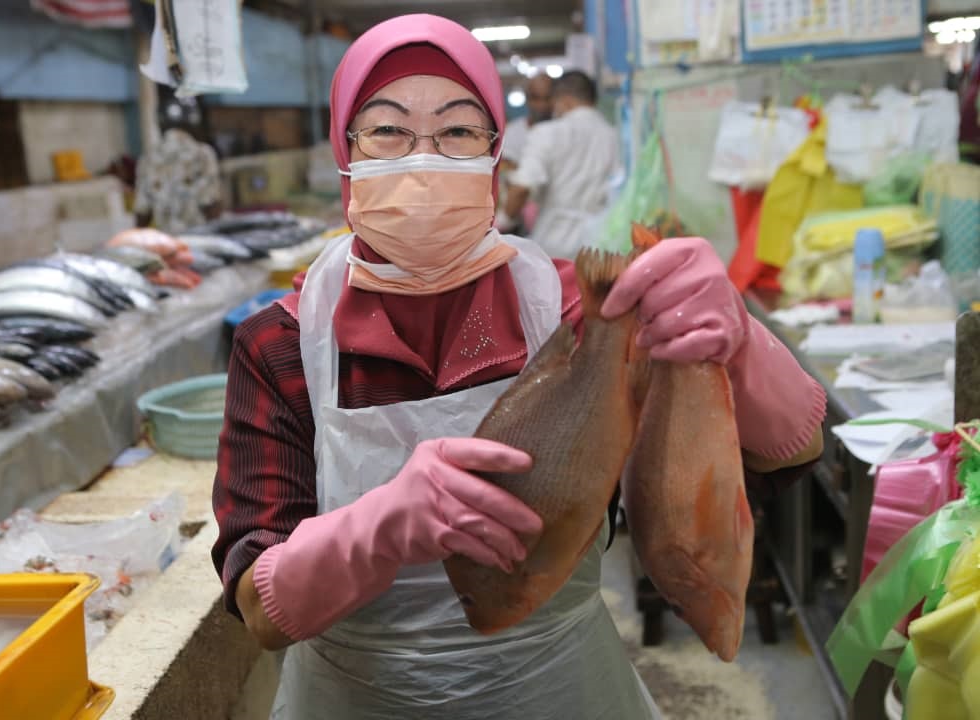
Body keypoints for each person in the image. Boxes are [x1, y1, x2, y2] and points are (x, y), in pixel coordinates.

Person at [212, 13, 827, 720]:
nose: (425, 158)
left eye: (457, 132)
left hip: (566, 691)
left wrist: (736, 341)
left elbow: (790, 456)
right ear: (345, 154)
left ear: (495, 154)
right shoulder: (280, 343)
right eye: (387, 130)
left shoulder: (582, 309)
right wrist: (379, 528)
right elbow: (256, 612)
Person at [499, 70, 620, 259]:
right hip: (600, 243)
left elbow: (522, 188)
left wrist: (502, 222)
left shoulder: (547, 133)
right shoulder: (613, 136)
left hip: (553, 241)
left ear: (564, 100)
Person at [133, 101, 223, 233]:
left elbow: (142, 212)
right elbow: (210, 203)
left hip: (167, 244)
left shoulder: (148, 158)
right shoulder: (203, 154)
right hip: (199, 239)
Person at [500, 73, 554, 168]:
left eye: (547, 98)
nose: (542, 105)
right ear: (527, 98)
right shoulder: (513, 131)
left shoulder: (565, 131)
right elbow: (506, 166)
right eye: (535, 98)